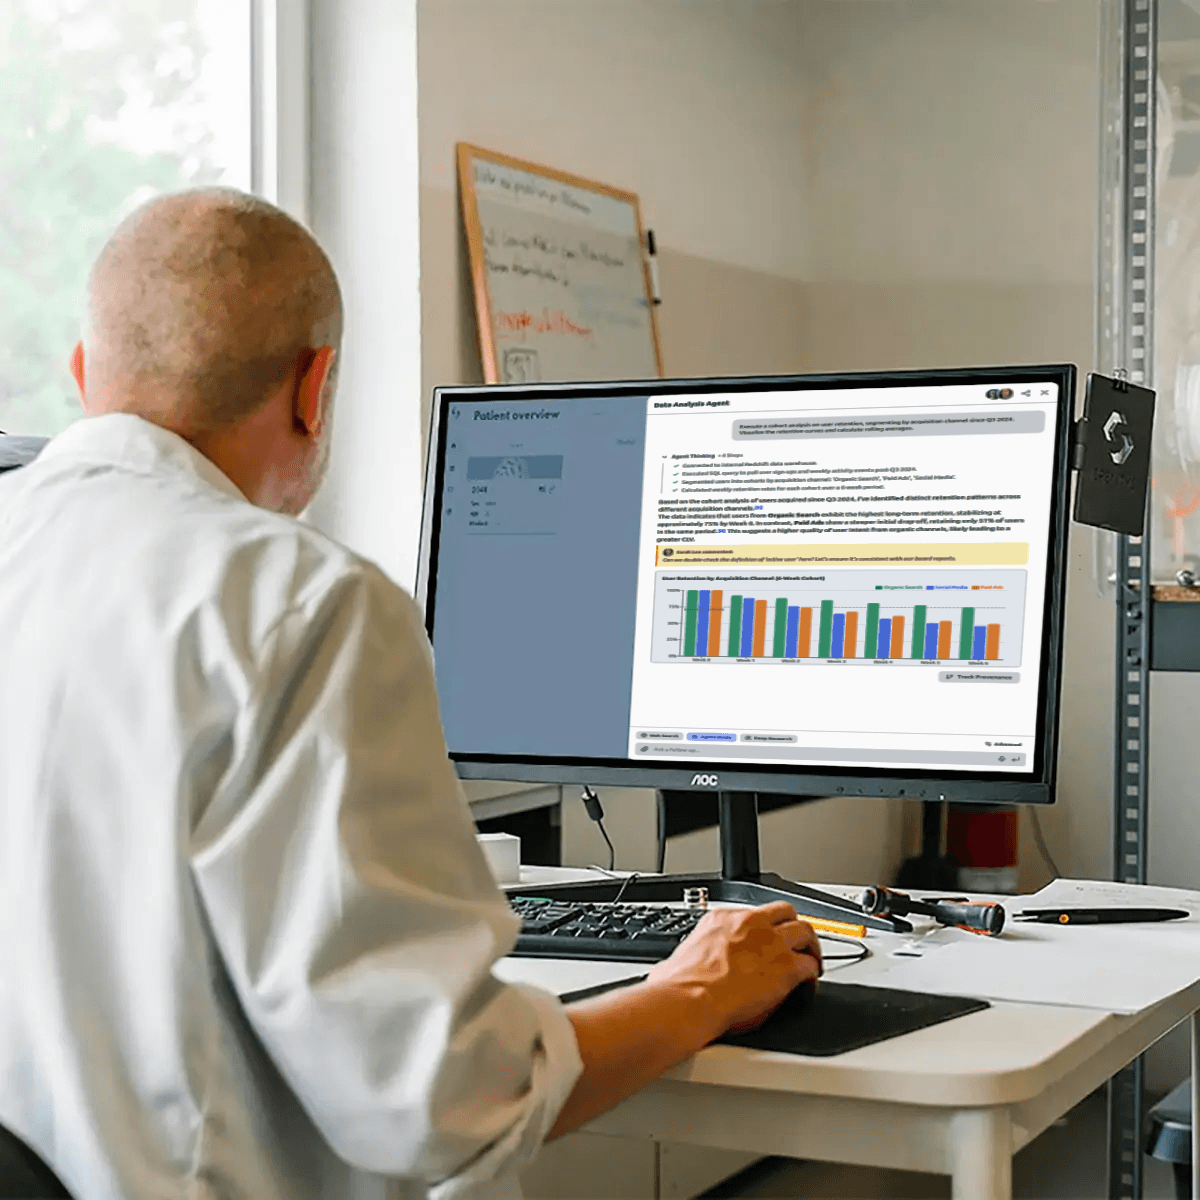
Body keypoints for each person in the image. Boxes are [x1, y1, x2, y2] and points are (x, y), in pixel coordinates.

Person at [0, 188, 822, 1200]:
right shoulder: (299, 602)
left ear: (84, 375)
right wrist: (695, 988)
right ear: (316, 385)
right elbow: (442, 1101)